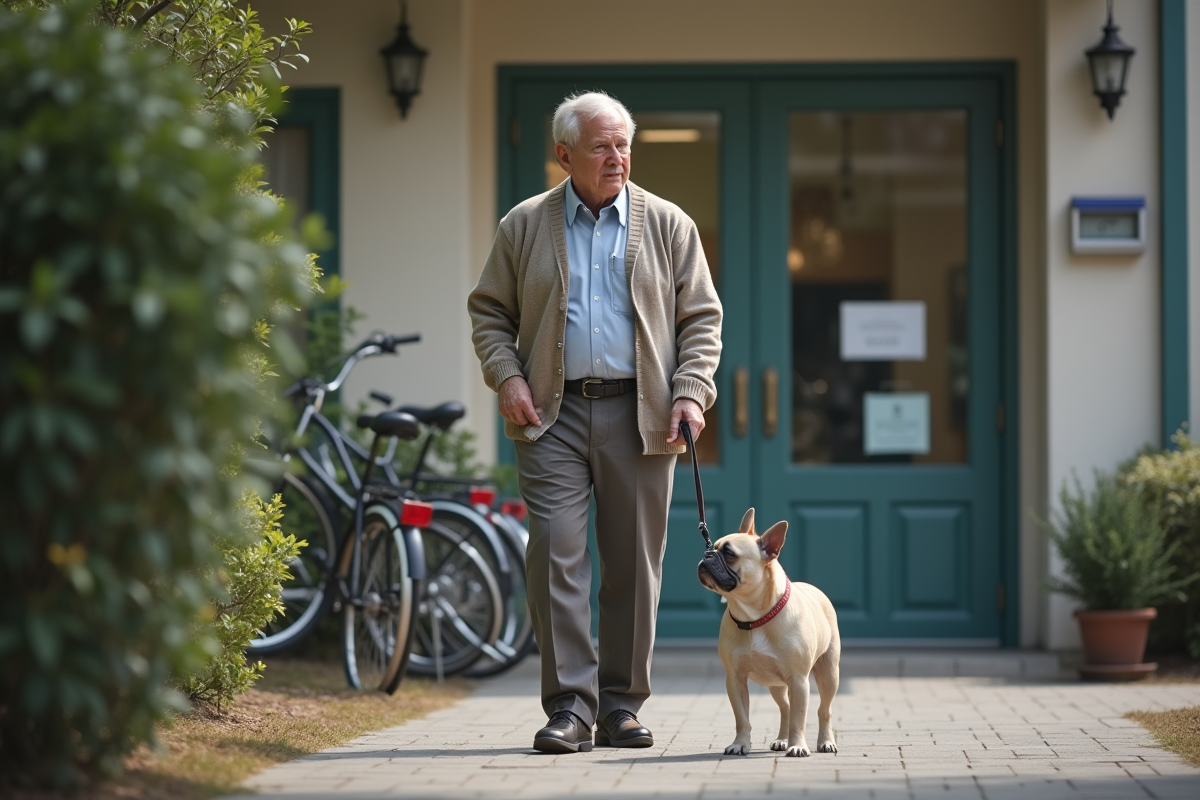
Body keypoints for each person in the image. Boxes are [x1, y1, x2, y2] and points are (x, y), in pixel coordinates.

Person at [467, 91, 722, 753]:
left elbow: (701, 319)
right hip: (551, 414)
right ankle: (570, 710)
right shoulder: (524, 225)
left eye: (624, 145)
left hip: (643, 415)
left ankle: (621, 706)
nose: (617, 158)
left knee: (633, 567)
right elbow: (490, 312)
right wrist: (508, 375)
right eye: (602, 146)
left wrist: (690, 392)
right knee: (555, 554)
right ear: (564, 155)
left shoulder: (668, 225)